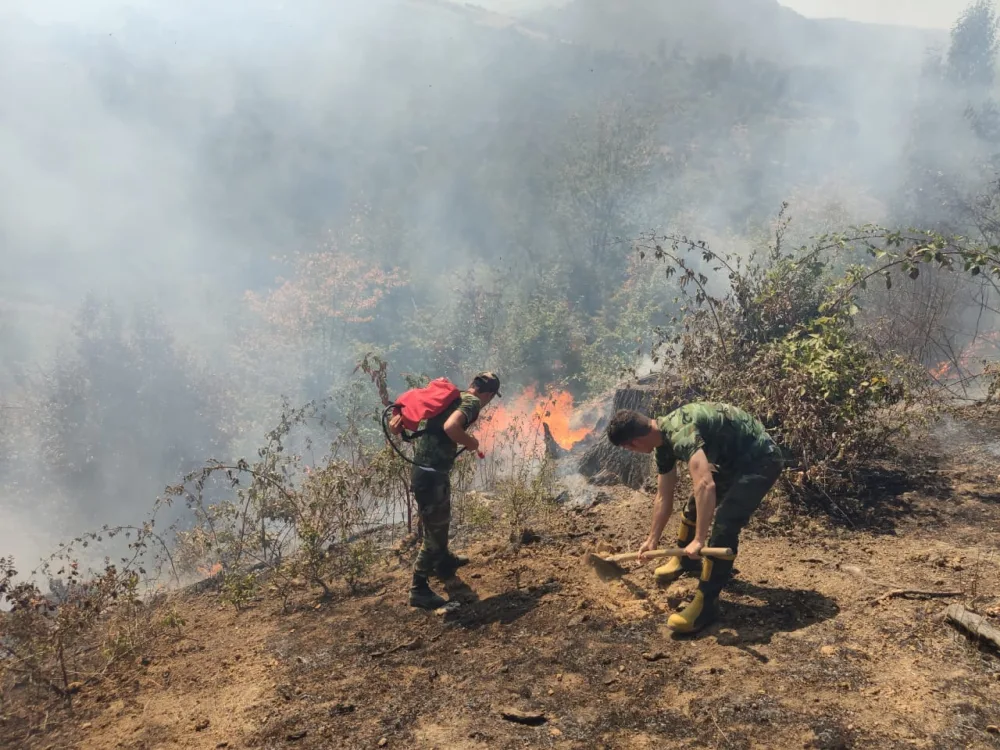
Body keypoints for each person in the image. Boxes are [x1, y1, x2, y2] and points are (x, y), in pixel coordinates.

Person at [606, 402, 782, 634]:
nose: (631, 452)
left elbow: (705, 483)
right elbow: (663, 495)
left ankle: (706, 604)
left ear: (633, 443)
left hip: (761, 460)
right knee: (693, 508)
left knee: (724, 525)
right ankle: (686, 561)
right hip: (733, 461)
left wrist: (699, 539)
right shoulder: (663, 443)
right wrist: (652, 539)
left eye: (628, 449)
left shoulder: (680, 433)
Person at [392, 372, 502, 610]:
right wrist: (471, 443)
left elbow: (425, 428)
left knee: (440, 522)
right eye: (491, 397)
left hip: (426, 473)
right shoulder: (471, 402)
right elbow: (451, 427)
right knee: (435, 533)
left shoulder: (454, 398)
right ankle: (418, 589)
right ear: (490, 394)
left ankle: (444, 562)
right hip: (431, 477)